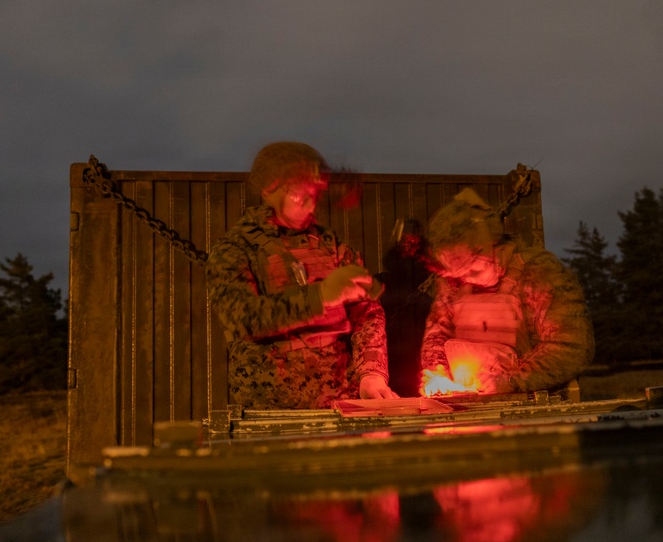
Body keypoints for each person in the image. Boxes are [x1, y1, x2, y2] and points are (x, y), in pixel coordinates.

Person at [207, 141, 399, 409]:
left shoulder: (330, 246)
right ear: (269, 190)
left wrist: (372, 374)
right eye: (300, 195)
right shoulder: (235, 249)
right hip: (271, 405)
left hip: (340, 400)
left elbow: (368, 312)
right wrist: (320, 296)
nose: (310, 205)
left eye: (316, 195)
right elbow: (242, 318)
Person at [419, 188, 594, 396]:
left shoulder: (541, 274)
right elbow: (437, 334)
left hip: (534, 405)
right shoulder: (453, 282)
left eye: (473, 268)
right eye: (459, 274)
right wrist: (437, 371)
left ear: (492, 246)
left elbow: (570, 347)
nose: (466, 279)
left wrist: (510, 380)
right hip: (468, 406)